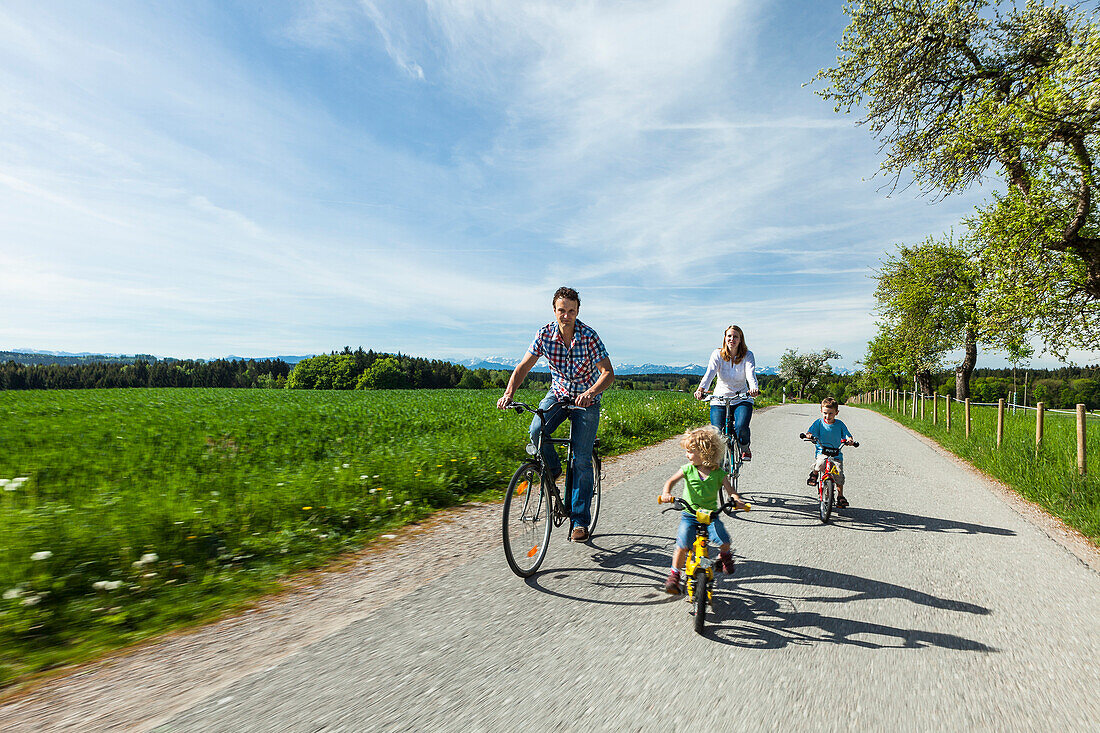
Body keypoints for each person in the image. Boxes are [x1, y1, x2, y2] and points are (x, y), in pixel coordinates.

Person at [497, 286, 614, 542]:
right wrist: (509, 394)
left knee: (581, 460)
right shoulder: (544, 335)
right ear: (554, 310)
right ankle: (552, 469)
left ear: (577, 311)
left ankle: (580, 522)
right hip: (559, 394)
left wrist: (591, 392)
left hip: (587, 400)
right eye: (562, 310)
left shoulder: (589, 337)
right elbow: (523, 367)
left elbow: (608, 373)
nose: (566, 316)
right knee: (536, 430)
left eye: (571, 311)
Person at [660, 425, 748, 594]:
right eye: (687, 451)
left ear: (705, 452)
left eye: (691, 451)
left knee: (725, 540)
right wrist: (666, 493)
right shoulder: (687, 469)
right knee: (682, 545)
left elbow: (731, 491)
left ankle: (725, 557)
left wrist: (737, 500)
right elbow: (670, 482)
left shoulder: (718, 474)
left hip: (710, 516)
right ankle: (674, 575)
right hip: (690, 516)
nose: (687, 455)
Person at [693, 324, 760, 460]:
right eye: (729, 336)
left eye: (736, 337)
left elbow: (750, 373)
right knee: (716, 432)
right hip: (720, 398)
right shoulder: (717, 354)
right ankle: (719, 460)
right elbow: (710, 372)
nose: (732, 339)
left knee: (741, 427)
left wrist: (753, 388)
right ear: (725, 338)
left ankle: (744, 447)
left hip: (741, 398)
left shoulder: (748, 355)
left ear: (740, 339)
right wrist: (701, 389)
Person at [802, 397, 855, 508]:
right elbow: (810, 432)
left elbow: (847, 434)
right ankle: (814, 474)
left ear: (836, 412)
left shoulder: (840, 424)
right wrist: (809, 436)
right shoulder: (819, 423)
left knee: (838, 473)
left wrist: (849, 440)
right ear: (821, 411)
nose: (828, 416)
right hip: (823, 452)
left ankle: (840, 496)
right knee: (820, 463)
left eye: (831, 413)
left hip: (836, 454)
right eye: (825, 413)